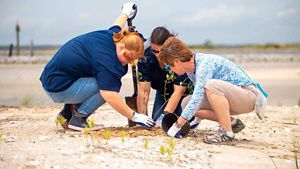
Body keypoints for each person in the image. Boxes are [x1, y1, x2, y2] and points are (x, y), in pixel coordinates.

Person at [40, 2, 154, 131]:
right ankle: (78, 119)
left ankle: (66, 114)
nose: (125, 60)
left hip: (53, 79)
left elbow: (117, 24)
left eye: (130, 60)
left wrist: (125, 13)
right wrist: (135, 116)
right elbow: (109, 95)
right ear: (122, 44)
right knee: (106, 86)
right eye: (126, 56)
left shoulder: (114, 36)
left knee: (97, 75)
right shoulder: (107, 61)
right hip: (57, 88)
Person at [158, 37, 268, 145]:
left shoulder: (204, 64)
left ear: (177, 61)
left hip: (249, 96)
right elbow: (199, 97)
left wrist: (177, 126)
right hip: (231, 97)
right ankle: (232, 123)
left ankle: (227, 134)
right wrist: (196, 120)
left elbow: (198, 98)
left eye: (169, 66)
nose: (170, 70)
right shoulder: (190, 70)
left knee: (211, 85)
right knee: (186, 102)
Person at [137, 27, 197, 127]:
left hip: (184, 94)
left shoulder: (179, 55)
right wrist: (142, 117)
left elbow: (179, 91)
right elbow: (143, 91)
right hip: (162, 92)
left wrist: (164, 117)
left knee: (180, 124)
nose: (157, 55)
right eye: (154, 51)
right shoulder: (145, 57)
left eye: (161, 51)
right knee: (154, 123)